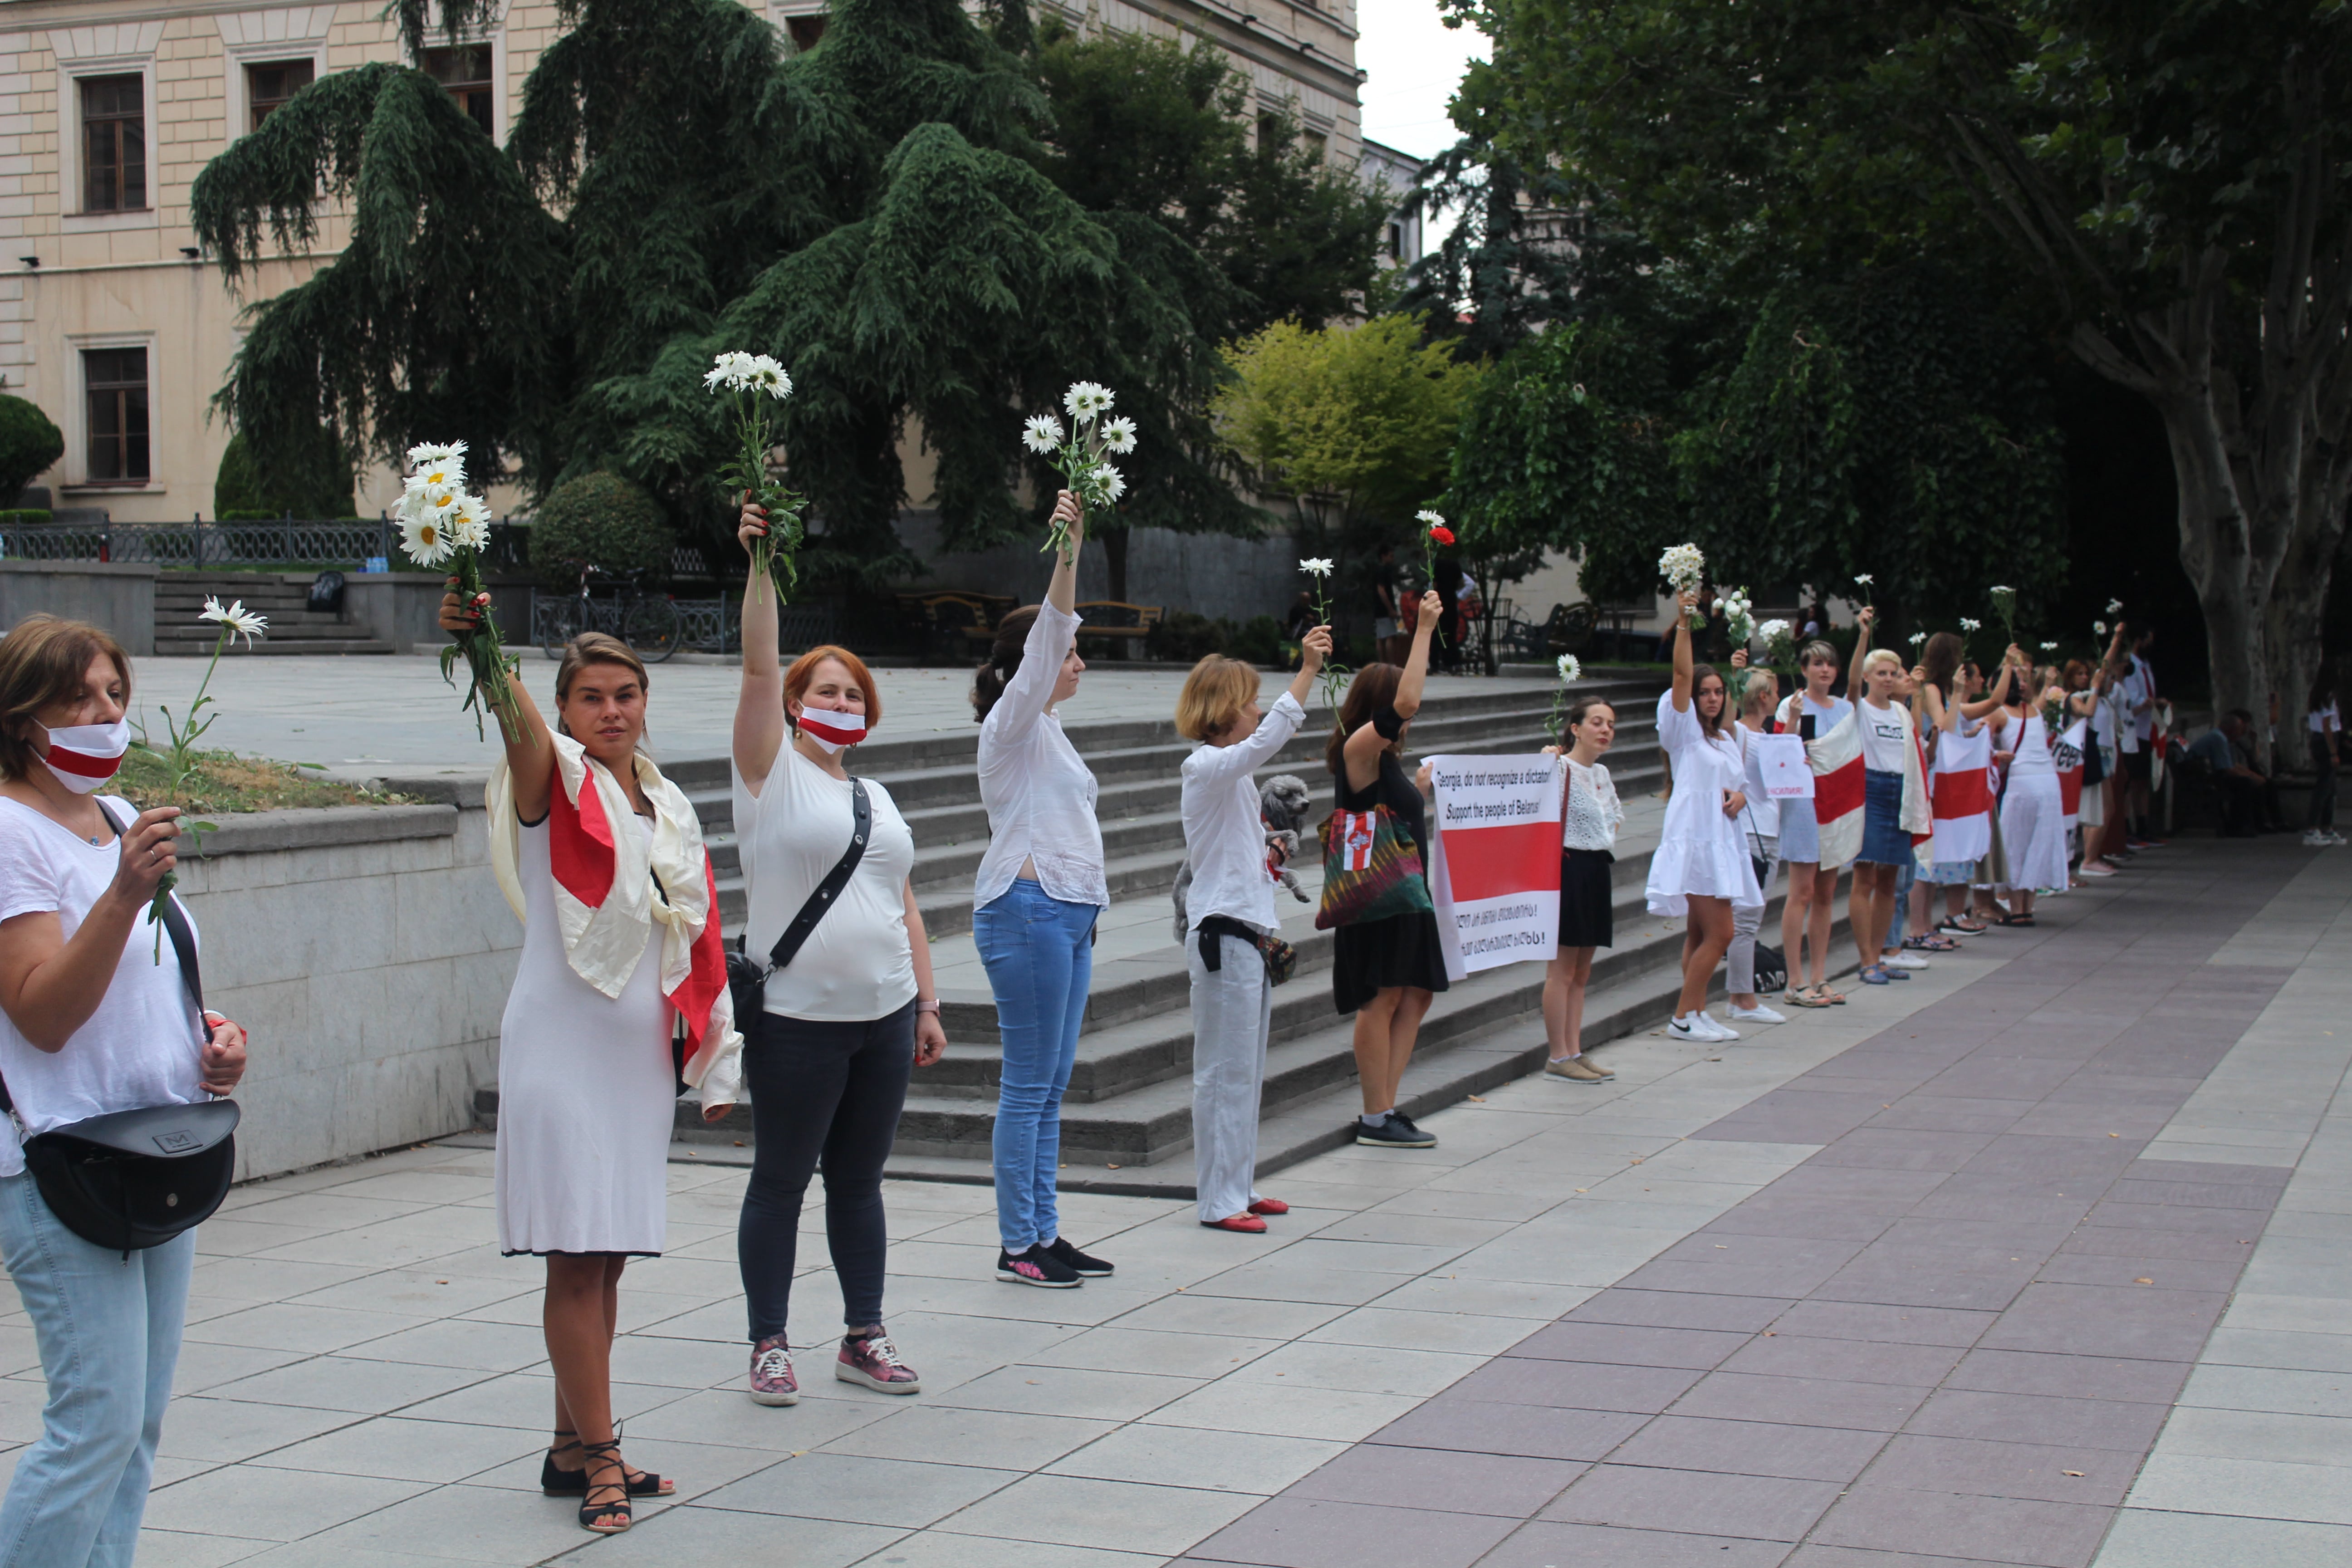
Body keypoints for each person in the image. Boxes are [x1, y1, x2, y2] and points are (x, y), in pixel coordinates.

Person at [439, 596, 739, 1534]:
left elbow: (692, 934)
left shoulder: (666, 803)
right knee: (575, 1257)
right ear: (564, 711)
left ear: (645, 704)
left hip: (635, 1056)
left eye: (627, 695)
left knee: (606, 1259)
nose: (611, 711)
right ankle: (602, 1452)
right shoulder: (548, 781)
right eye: (592, 698)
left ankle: (571, 1448)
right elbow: (515, 722)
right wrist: (482, 646)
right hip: (562, 1046)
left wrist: (711, 1043)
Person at [0, 616, 249, 1568]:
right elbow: (43, 1015)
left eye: (114, 694)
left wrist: (210, 1043)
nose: (105, 715)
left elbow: (144, 984)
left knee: (136, 1428)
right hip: (60, 1162)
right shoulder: (12, 832)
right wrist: (118, 895)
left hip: (153, 1145)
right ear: (23, 718)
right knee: (93, 1425)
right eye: (79, 699)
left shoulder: (113, 816)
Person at [729, 504, 950, 1403]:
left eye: (853, 694)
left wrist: (928, 1005)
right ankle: (769, 1343)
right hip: (799, 1022)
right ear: (792, 704)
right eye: (824, 691)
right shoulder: (766, 772)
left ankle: (864, 1335)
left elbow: (902, 902)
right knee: (782, 1180)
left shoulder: (879, 797)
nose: (840, 704)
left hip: (884, 1017)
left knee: (859, 1182)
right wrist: (761, 563)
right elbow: (752, 663)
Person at [972, 492, 1116, 1289]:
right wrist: (1069, 545)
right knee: (1027, 1084)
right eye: (1070, 654)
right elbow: (1049, 637)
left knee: (1051, 1084)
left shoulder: (1048, 732)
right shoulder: (1011, 723)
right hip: (1026, 912)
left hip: (1066, 918)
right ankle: (1016, 1241)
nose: (1078, 662)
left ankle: (1043, 1230)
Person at [1176, 623, 1334, 1230]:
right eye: (1248, 701)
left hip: (1247, 934)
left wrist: (1267, 855)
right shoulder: (1207, 766)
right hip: (1225, 937)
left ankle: (1236, 1188)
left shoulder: (1231, 779)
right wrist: (1309, 670)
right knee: (1223, 1070)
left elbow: (1234, 849)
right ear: (1223, 710)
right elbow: (1267, 741)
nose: (1258, 709)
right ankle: (1219, 1201)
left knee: (1243, 1068)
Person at [1330, 588, 1449, 1147]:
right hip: (1378, 896)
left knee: (1416, 994)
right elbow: (1406, 704)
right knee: (1381, 997)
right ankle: (1375, 1115)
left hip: (1408, 894)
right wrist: (1423, 629)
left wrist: (1418, 790)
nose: (1409, 707)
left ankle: (1387, 1107)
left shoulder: (1390, 763)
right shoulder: (1359, 750)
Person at [1646, 589, 1760, 1041]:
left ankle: (1696, 1010)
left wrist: (1740, 799)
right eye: (1705, 693)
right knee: (1723, 932)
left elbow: (1739, 786)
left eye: (1718, 693)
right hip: (1697, 837)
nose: (1712, 699)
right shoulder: (1685, 733)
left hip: (1722, 839)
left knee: (1700, 933)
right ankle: (1681, 1016)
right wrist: (1685, 622)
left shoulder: (1723, 739)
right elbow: (1680, 673)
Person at [1845, 612, 1931, 986]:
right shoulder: (1859, 708)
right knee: (1865, 877)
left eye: (1893, 673)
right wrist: (1864, 636)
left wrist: (1920, 694)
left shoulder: (1899, 710)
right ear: (1868, 677)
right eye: (1880, 672)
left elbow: (1915, 744)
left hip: (1901, 792)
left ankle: (1881, 956)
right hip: (1871, 790)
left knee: (1890, 881)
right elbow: (1849, 685)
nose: (1888, 678)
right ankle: (1865, 960)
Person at [1541, 697, 1622, 1081]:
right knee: (1562, 968)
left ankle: (1574, 1049)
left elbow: (1614, 820)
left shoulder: (1602, 774)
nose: (1605, 730)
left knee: (1582, 970)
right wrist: (1543, 760)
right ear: (1575, 729)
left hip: (1596, 869)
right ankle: (1558, 1056)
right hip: (1569, 869)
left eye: (1610, 724)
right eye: (1597, 722)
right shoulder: (1558, 768)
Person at [1775, 639, 1855, 1007]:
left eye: (1830, 664)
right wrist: (1792, 719)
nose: (1825, 670)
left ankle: (1820, 976)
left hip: (1836, 802)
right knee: (1802, 892)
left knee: (1826, 894)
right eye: (1817, 664)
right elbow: (1779, 753)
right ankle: (1795, 981)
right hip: (1805, 803)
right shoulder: (1791, 704)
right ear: (1805, 669)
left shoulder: (1846, 709)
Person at [1987, 652, 2070, 924]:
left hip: (2024, 782)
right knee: (2038, 843)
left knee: (2016, 842)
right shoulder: (2033, 709)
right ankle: (2027, 909)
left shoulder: (2000, 713)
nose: (2024, 684)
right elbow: (2043, 696)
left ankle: (2018, 908)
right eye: (2020, 680)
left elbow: (1981, 742)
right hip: (2047, 782)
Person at [1726, 660, 1785, 1026]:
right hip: (1752, 834)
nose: (1780, 698)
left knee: (1750, 919)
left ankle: (1742, 995)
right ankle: (1742, 998)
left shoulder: (1769, 736)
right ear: (1763, 697)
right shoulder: (1740, 734)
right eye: (1776, 693)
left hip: (1769, 831)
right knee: (1745, 920)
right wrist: (1736, 672)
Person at [2186, 712, 2272, 837]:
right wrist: (2250, 778)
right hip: (2204, 778)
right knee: (2245, 784)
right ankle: (2240, 826)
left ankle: (2254, 824)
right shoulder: (2219, 739)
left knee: (2248, 782)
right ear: (2232, 730)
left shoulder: (2222, 738)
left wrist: (2253, 777)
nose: (2241, 734)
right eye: (2239, 730)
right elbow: (2226, 768)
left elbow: (2232, 765)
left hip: (2208, 775)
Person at [2306, 669, 2342, 848]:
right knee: (2324, 787)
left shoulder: (2316, 696)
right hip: (2326, 740)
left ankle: (2326, 827)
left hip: (2318, 739)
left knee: (2330, 787)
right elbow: (2326, 726)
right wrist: (2334, 752)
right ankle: (2312, 829)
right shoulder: (2328, 697)